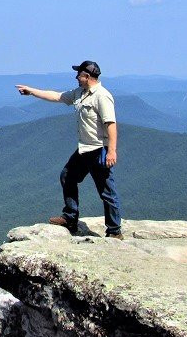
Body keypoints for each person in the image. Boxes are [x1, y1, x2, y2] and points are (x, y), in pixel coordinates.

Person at [15, 60, 123, 239]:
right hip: (84, 149)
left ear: (87, 76)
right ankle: (70, 218)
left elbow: (111, 125)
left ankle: (114, 231)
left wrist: (112, 151)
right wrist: (32, 91)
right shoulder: (80, 93)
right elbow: (57, 96)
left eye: (79, 74)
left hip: (98, 150)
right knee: (67, 176)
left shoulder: (102, 96)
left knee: (106, 191)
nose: (76, 77)